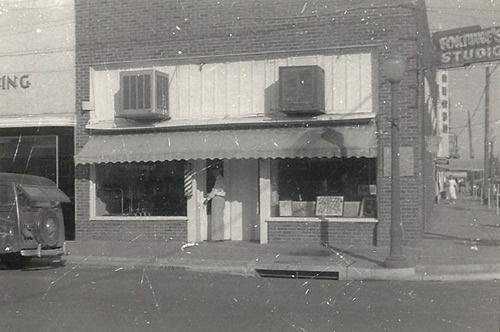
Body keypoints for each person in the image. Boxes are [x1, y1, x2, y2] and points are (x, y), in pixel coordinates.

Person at [204, 167, 226, 241]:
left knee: (216, 218)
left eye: (214, 172)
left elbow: (215, 190)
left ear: (217, 172)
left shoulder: (219, 180)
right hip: (222, 199)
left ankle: (215, 237)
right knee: (220, 218)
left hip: (217, 199)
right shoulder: (223, 179)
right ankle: (220, 236)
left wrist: (207, 199)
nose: (213, 174)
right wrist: (209, 194)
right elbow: (218, 191)